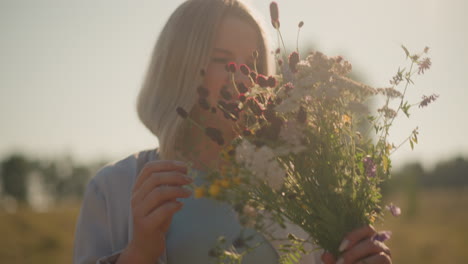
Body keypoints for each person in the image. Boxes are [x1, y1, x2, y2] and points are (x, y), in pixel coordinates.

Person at [73, 0, 392, 263]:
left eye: (252, 64)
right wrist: (139, 253)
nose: (243, 79)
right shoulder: (113, 190)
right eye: (223, 61)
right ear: (180, 69)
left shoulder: (299, 189)